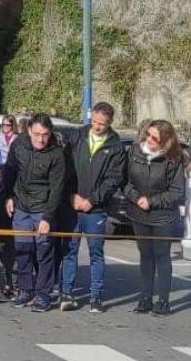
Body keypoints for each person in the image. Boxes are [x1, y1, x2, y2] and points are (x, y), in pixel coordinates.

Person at [60, 102, 126, 313]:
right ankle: (67, 292)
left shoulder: (116, 146)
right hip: (72, 204)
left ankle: (96, 296)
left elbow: (113, 179)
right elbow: (65, 167)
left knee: (95, 252)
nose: (97, 127)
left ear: (110, 123)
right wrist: (71, 195)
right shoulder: (76, 137)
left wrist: (92, 200)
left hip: (96, 209)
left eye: (102, 124)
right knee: (69, 250)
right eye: (95, 122)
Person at [4, 114, 66, 313]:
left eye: (45, 135)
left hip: (43, 207)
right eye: (37, 134)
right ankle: (24, 290)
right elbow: (9, 173)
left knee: (44, 252)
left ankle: (43, 294)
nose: (41, 139)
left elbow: (57, 188)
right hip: (21, 206)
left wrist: (48, 217)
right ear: (29, 130)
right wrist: (8, 197)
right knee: (23, 251)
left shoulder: (56, 154)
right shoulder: (19, 145)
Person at [124, 120, 186, 317]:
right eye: (148, 135)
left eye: (154, 138)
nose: (149, 140)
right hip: (138, 214)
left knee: (162, 256)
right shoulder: (133, 152)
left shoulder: (173, 159)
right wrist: (136, 198)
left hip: (163, 217)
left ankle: (163, 301)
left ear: (165, 142)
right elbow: (124, 182)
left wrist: (152, 201)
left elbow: (177, 191)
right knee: (145, 255)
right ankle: (145, 298)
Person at [0, 114, 19, 302]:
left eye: (9, 125)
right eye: (4, 125)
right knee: (4, 243)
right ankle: (8, 281)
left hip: (18, 204)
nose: (6, 127)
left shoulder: (18, 143)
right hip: (1, 201)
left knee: (20, 245)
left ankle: (18, 283)